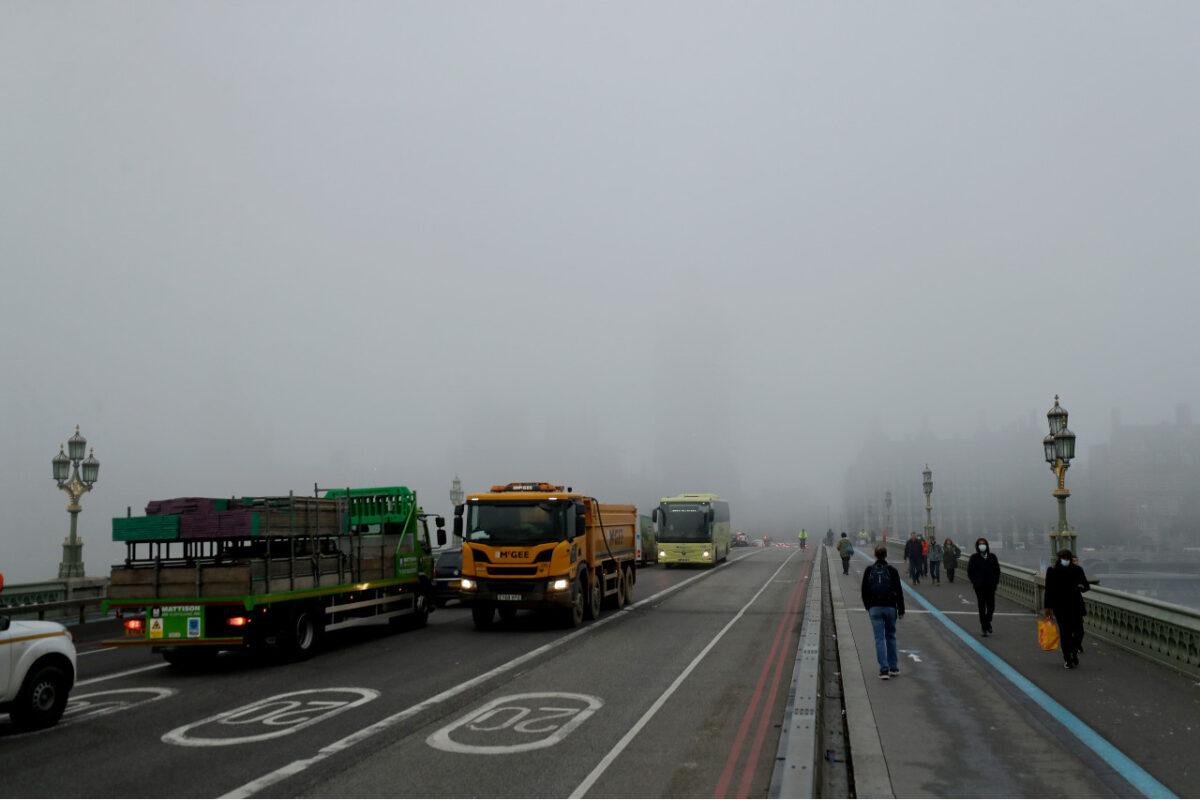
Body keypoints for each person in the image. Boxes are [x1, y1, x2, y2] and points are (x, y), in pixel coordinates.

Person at [862, 544, 905, 679]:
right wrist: (901, 609)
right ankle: (894, 667)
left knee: (879, 639)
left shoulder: (869, 570)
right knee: (891, 636)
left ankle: (884, 670)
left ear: (875, 555)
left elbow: (864, 591)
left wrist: (868, 606)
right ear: (886, 555)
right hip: (890, 607)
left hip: (875, 607)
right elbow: (899, 591)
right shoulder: (892, 570)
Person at [1044, 548, 1091, 669]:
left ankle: (1073, 651)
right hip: (1060, 608)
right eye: (1063, 558)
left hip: (1076, 606)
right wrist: (1047, 608)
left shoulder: (1077, 570)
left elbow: (1086, 586)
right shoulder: (1053, 571)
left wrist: (1081, 587)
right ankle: (1067, 658)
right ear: (1059, 559)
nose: (1065, 560)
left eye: (1067, 558)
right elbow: (1048, 590)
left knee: (1079, 632)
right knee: (1065, 634)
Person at [967, 537, 1001, 636]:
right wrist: (975, 582)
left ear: (987, 545)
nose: (982, 545)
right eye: (980, 544)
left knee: (991, 606)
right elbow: (970, 572)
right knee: (981, 606)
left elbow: (997, 571)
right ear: (977, 546)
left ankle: (987, 621)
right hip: (979, 586)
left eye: (984, 543)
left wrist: (995, 582)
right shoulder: (974, 557)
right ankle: (984, 627)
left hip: (990, 585)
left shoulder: (992, 557)